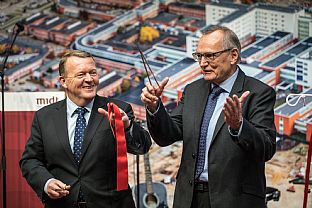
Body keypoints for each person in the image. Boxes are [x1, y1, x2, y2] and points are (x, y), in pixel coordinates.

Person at [141, 25, 276, 208]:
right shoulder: (193, 90)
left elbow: (266, 148)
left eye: (210, 56)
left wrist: (239, 126)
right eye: (199, 56)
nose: (202, 63)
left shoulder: (258, 93)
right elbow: (167, 136)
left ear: (233, 55)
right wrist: (155, 107)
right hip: (189, 198)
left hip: (233, 200)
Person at [20, 50, 152, 208]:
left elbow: (142, 146)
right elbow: (30, 160)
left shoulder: (118, 109)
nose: (89, 79)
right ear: (63, 81)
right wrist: (46, 182)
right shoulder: (44, 117)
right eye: (81, 74)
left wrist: (127, 127)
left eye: (93, 73)